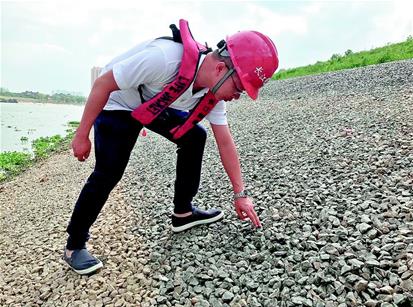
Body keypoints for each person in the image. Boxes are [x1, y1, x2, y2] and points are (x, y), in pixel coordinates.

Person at [63, 19, 279, 275]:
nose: (237, 96)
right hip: (117, 102)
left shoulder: (214, 90)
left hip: (152, 104)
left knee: (194, 137)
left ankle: (183, 213)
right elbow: (102, 83)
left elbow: (225, 141)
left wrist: (240, 194)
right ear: (221, 68)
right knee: (109, 171)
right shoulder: (163, 59)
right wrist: (81, 134)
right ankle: (74, 246)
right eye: (240, 87)